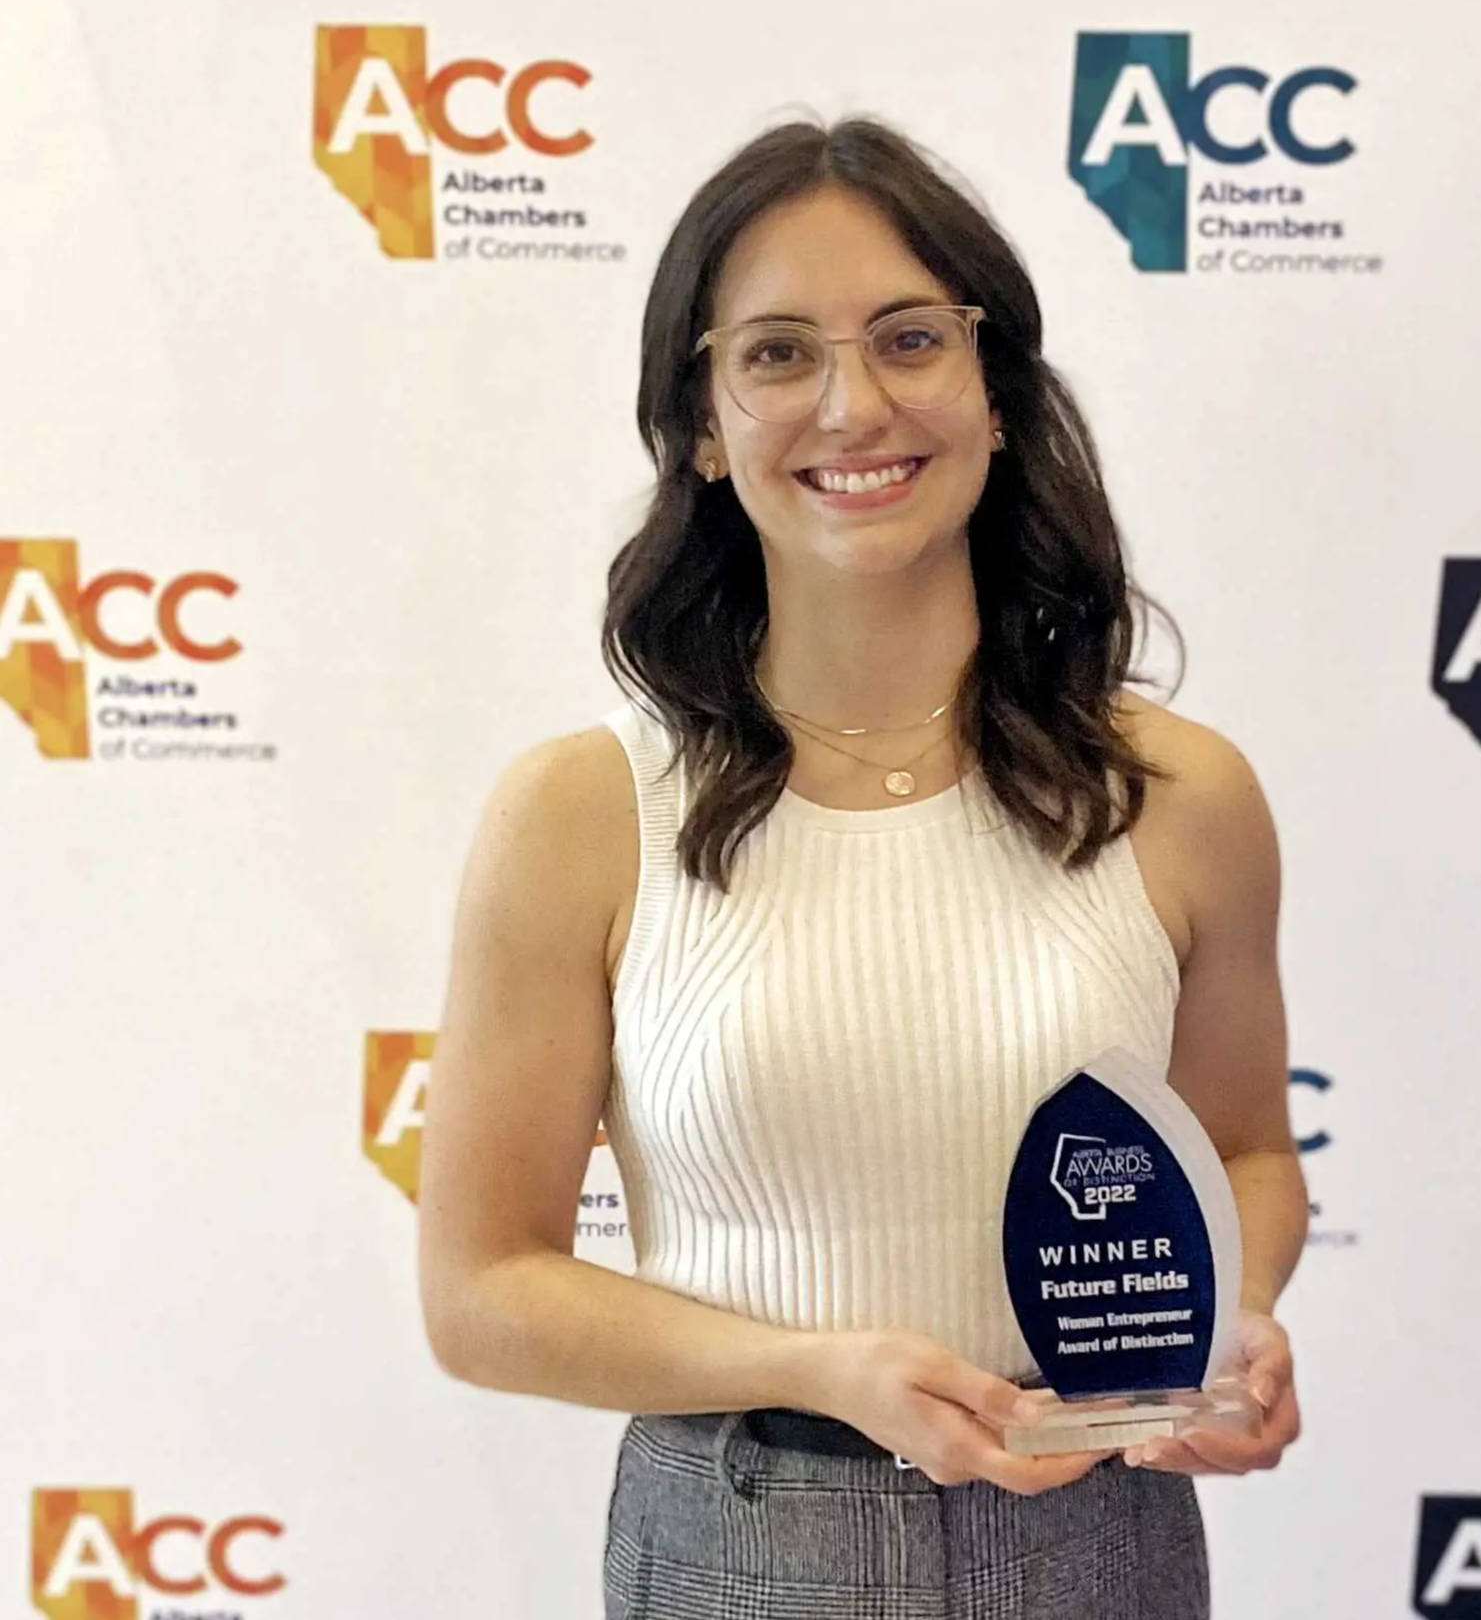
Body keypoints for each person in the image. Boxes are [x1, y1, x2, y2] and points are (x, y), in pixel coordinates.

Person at [417, 116, 1306, 1619]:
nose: (853, 403)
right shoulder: (579, 812)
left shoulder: (1180, 793)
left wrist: (1234, 1316)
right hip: (739, 1541)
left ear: (995, 392)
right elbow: (481, 1288)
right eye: (774, 354)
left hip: (1102, 1533)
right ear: (699, 422)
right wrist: (813, 1367)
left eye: (910, 337)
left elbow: (1244, 1157)